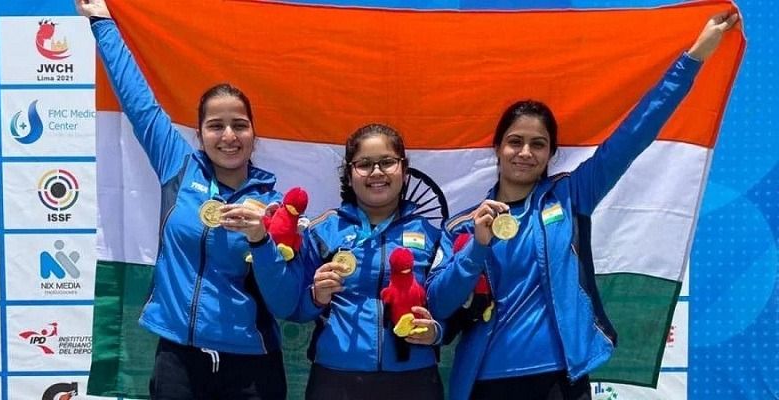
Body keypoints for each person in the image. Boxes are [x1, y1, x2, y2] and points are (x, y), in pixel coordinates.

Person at [425, 12, 739, 400]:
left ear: (551, 154)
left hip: (561, 378)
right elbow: (438, 303)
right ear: (497, 148)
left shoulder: (572, 195)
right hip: (485, 382)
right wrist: (477, 246)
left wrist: (693, 58)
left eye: (537, 144)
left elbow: (636, 132)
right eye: (515, 141)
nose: (525, 152)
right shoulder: (462, 227)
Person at [76, 0, 301, 398]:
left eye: (239, 125)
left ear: (254, 135)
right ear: (200, 134)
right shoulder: (178, 168)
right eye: (216, 126)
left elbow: (284, 303)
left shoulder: (274, 205)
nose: (228, 136)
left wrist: (261, 240)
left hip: (252, 367)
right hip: (179, 359)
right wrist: (102, 23)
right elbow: (137, 101)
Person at [290, 124, 444, 399]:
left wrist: (437, 332)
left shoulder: (431, 235)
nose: (376, 172)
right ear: (349, 175)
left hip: (414, 380)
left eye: (387, 162)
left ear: (404, 170)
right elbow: (295, 309)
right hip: (336, 379)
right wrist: (316, 296)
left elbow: (448, 309)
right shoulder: (323, 231)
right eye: (364, 164)